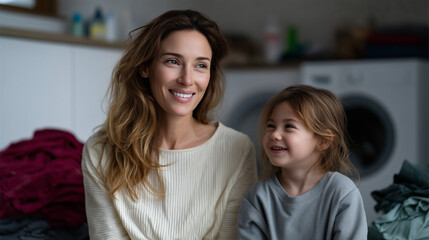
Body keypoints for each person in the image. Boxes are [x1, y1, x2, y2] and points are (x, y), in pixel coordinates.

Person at [81, 9, 257, 239]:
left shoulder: (238, 149)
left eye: (201, 65)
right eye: (173, 61)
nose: (187, 79)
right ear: (145, 67)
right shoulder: (100, 151)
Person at [237, 85, 367, 239]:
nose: (275, 135)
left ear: (323, 141)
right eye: (271, 126)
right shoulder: (257, 197)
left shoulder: (342, 192)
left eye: (289, 126)